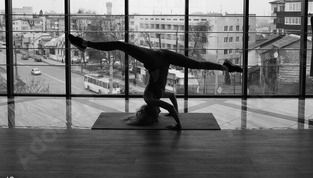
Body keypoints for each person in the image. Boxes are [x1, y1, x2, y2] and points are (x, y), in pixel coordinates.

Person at [68, 34, 243, 130]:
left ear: (151, 111)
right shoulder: (157, 97)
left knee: (120, 45)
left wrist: (178, 125)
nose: (159, 109)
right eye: (160, 111)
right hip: (164, 57)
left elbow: (170, 107)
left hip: (152, 60)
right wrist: (173, 114)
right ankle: (226, 67)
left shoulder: (149, 98)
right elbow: (173, 98)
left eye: (157, 111)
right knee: (195, 64)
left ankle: (85, 43)